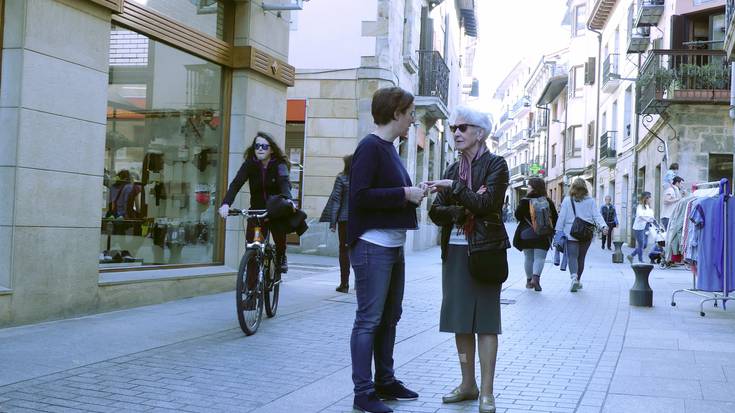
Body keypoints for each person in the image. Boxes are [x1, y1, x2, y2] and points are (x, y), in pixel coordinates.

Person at [426, 106, 509, 413]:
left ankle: (487, 391)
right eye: (453, 129)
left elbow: (489, 203)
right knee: (461, 321)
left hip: (486, 251)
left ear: (480, 133)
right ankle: (467, 384)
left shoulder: (496, 165)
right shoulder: (451, 170)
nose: (457, 133)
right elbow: (436, 212)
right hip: (456, 252)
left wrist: (456, 191)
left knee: (486, 323)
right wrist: (464, 206)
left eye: (463, 127)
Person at [347, 87, 425, 413]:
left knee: (390, 317)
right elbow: (360, 196)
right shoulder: (369, 147)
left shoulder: (390, 148)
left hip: (393, 246)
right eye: (410, 113)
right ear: (395, 113)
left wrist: (414, 192)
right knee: (369, 320)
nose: (412, 119)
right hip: (372, 247)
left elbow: (388, 191)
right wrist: (404, 194)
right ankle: (363, 393)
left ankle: (385, 380)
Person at [218, 132, 292, 274]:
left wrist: (288, 199)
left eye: (264, 146)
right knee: (252, 247)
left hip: (276, 208)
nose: (260, 149)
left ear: (271, 149)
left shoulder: (279, 164)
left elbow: (284, 182)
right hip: (257, 211)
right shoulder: (249, 164)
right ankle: (251, 289)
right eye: (257, 146)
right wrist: (226, 204)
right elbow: (236, 184)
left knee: (279, 234)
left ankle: (281, 256)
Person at [555, 178, 608, 292]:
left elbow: (562, 217)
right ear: (585, 188)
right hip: (586, 233)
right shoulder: (591, 201)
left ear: (572, 187)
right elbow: (596, 215)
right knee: (581, 257)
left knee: (572, 257)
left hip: (571, 233)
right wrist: (603, 226)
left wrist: (558, 231)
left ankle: (574, 278)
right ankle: (578, 280)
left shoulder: (567, 200)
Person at [512, 177, 558, 292]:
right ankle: (536, 279)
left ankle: (528, 281)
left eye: (529, 186)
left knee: (528, 257)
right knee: (540, 258)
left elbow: (517, 216)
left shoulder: (524, 201)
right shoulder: (548, 201)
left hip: (526, 234)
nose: (527, 188)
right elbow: (555, 219)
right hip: (543, 235)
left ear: (533, 187)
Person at [319, 154, 352, 293]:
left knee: (344, 251)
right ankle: (361, 284)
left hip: (344, 220)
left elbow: (336, 200)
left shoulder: (342, 177)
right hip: (360, 219)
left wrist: (333, 222)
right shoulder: (363, 178)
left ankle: (344, 284)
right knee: (358, 250)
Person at [627, 191, 656, 264]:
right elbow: (640, 215)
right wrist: (647, 219)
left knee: (645, 244)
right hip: (639, 228)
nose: (650, 199)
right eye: (649, 198)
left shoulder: (649, 207)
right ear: (645, 198)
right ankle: (640, 260)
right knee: (641, 244)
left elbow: (652, 216)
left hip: (646, 227)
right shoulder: (639, 207)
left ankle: (631, 255)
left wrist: (653, 221)